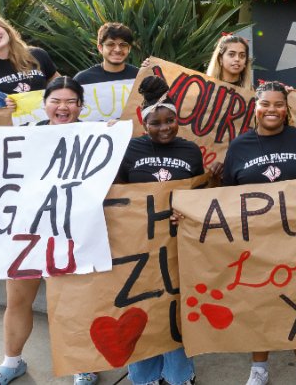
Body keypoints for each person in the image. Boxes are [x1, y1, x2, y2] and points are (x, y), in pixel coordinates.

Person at [0, 77, 100, 385]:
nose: (63, 107)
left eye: (71, 101)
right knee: (18, 300)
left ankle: (82, 363)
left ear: (80, 106)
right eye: (56, 100)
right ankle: (11, 362)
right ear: (44, 104)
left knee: (72, 304)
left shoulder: (96, 136)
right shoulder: (25, 136)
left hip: (74, 234)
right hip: (28, 232)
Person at [218, 81, 296, 385]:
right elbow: (224, 200)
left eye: (279, 104)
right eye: (266, 104)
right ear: (255, 108)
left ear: (287, 109)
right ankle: (259, 368)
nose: (272, 110)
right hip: (255, 245)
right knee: (259, 304)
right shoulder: (238, 147)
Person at [115, 76, 202, 385]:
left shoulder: (191, 151)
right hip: (138, 247)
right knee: (140, 309)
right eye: (156, 123)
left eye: (170, 121)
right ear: (144, 122)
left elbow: (199, 197)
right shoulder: (128, 149)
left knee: (173, 311)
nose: (165, 127)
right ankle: (145, 377)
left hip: (179, 248)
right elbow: (116, 193)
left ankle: (180, 375)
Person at [72, 22, 140, 85]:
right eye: (110, 44)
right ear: (100, 48)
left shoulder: (140, 77)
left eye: (123, 45)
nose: (117, 50)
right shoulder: (83, 80)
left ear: (129, 48)